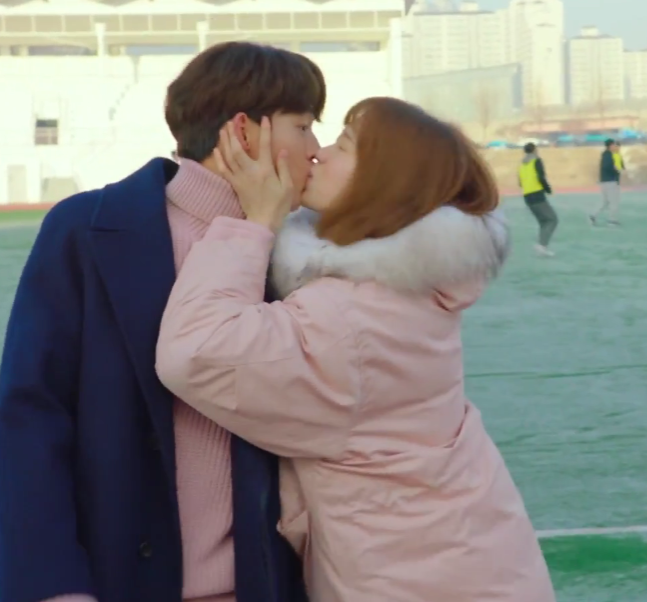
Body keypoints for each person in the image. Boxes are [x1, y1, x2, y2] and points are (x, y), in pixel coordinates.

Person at [155, 97, 556, 601]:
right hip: (465, 562)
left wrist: (254, 225)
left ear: (385, 180)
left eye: (343, 146)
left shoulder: (355, 317)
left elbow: (195, 351)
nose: (318, 152)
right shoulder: (400, 286)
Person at [0, 41, 321, 602]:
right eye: (305, 126)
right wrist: (54, 587)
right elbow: (32, 416)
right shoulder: (86, 230)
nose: (316, 149)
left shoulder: (309, 250)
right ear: (245, 133)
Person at [518, 142, 557, 256]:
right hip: (537, 194)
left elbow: (520, 182)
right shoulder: (537, 161)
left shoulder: (522, 165)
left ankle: (542, 247)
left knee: (543, 221)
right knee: (552, 219)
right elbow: (541, 177)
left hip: (527, 196)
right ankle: (542, 245)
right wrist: (548, 189)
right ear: (534, 150)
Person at [591, 138, 624, 226]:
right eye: (614, 145)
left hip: (606, 181)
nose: (616, 147)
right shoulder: (609, 155)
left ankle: (593, 215)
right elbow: (612, 167)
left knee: (605, 202)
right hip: (610, 181)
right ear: (610, 146)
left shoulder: (609, 155)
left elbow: (620, 167)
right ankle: (612, 220)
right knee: (613, 201)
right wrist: (615, 169)